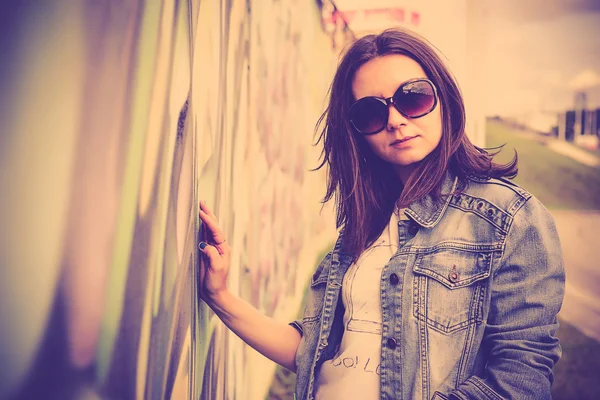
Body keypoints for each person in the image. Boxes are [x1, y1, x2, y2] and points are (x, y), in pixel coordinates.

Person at [198, 27, 565, 400]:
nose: (395, 120)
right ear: (356, 131)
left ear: (444, 98)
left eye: (413, 98)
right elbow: (313, 354)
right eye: (371, 111)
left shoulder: (507, 218)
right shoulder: (365, 225)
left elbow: (522, 378)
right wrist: (220, 295)